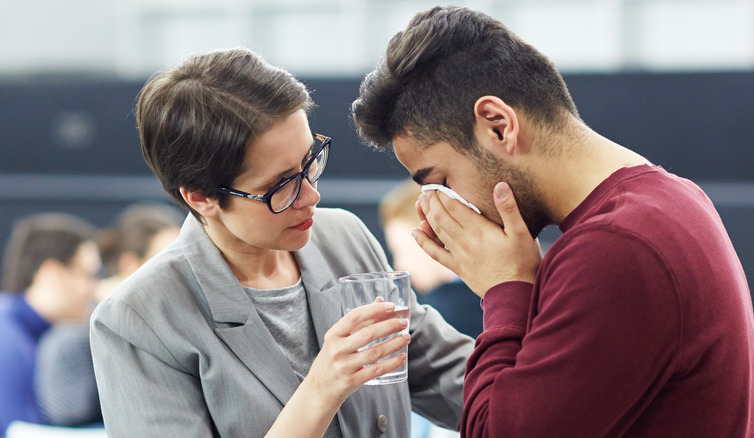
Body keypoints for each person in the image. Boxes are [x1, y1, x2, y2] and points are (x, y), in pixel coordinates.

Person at [352, 6, 754, 437]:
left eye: (440, 180)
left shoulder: (613, 247)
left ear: (498, 126)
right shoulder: (669, 199)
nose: (438, 208)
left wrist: (503, 290)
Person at [89, 47, 473, 437]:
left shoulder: (343, 238)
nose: (310, 195)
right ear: (201, 197)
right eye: (280, 185)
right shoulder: (140, 320)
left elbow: (445, 372)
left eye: (310, 162)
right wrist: (321, 389)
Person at [34, 203, 184, 428]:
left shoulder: (179, 327)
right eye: (167, 262)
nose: (181, 273)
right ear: (131, 264)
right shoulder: (74, 340)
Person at [0, 213, 101, 436]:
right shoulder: (7, 339)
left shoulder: (36, 331)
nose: (93, 288)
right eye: (87, 275)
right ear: (52, 272)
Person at [379, 179, 482, 339]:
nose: (399, 265)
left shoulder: (440, 315)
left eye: (403, 251)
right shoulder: (495, 294)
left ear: (433, 234)